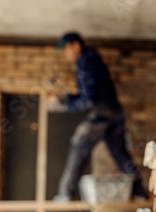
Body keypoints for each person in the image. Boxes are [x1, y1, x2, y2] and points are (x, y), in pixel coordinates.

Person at [50, 32, 147, 202]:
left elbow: (89, 98)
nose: (65, 54)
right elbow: (88, 93)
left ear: (76, 46)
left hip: (102, 113)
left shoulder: (86, 62)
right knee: (120, 153)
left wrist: (66, 105)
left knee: (78, 146)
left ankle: (66, 193)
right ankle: (140, 192)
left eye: (66, 49)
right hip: (114, 113)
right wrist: (67, 98)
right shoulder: (91, 61)